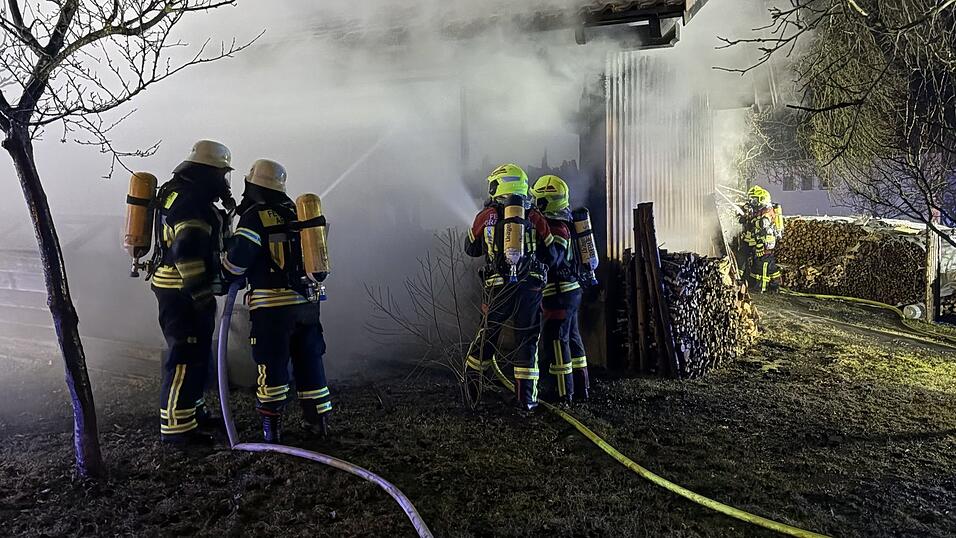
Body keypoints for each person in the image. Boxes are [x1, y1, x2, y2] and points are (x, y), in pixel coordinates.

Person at [222, 159, 331, 443]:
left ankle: (273, 432)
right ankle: (318, 424)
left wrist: (223, 262)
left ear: (253, 184)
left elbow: (236, 264)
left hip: (271, 309)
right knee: (310, 361)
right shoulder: (296, 212)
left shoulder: (255, 216)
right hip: (307, 305)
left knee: (272, 365)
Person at [152, 140, 235, 445]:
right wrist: (200, 294)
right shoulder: (194, 203)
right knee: (185, 354)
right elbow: (186, 251)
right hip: (182, 291)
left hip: (173, 286)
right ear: (208, 173)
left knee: (198, 352)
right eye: (221, 175)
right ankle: (176, 427)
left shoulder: (175, 191)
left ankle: (192, 410)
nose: (224, 182)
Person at [464, 164, 556, 412]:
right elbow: (553, 254)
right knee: (526, 340)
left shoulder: (487, 215)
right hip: (531, 289)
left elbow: (470, 249)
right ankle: (526, 401)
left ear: (500, 185)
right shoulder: (535, 216)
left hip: (498, 288)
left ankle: (471, 392)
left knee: (487, 337)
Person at [530, 175, 592, 403]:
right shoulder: (565, 223)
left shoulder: (555, 229)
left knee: (557, 340)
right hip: (570, 291)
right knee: (572, 339)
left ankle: (562, 393)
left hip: (559, 294)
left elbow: (553, 260)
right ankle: (581, 389)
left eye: (537, 200)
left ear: (545, 202)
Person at [740, 185, 784, 293]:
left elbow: (763, 230)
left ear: (762, 200)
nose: (752, 202)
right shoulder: (760, 211)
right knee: (759, 265)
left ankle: (763, 287)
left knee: (764, 266)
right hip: (760, 244)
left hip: (765, 245)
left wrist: (760, 244)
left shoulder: (766, 213)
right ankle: (761, 285)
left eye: (754, 200)